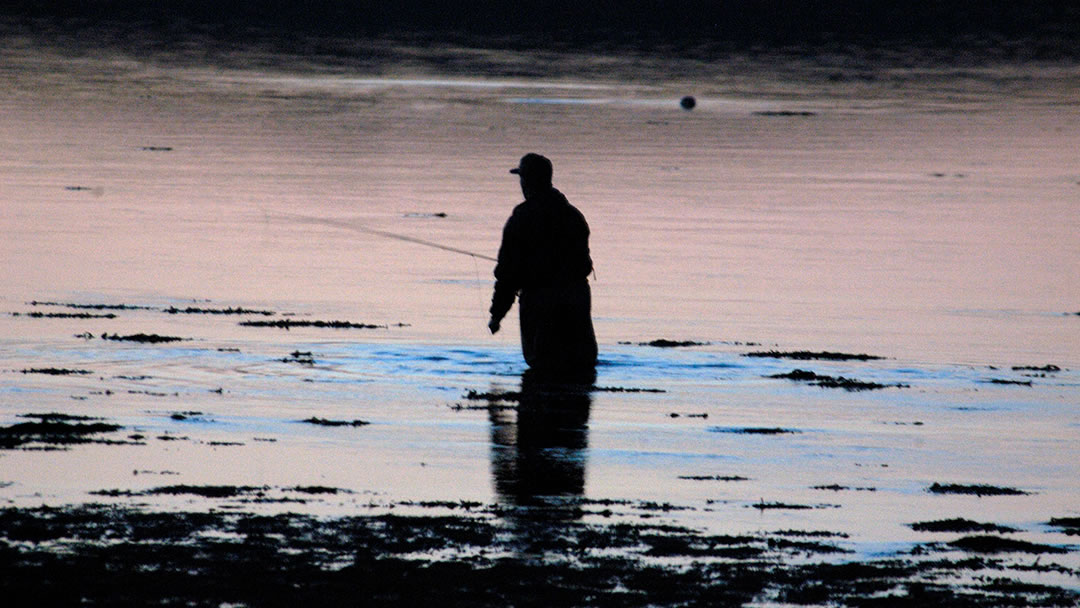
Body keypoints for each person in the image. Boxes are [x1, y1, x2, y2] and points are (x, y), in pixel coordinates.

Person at [488, 153, 598, 372]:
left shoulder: (522, 218)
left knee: (543, 366)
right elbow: (583, 263)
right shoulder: (573, 215)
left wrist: (497, 315)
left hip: (540, 303)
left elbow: (508, 273)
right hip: (576, 298)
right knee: (580, 366)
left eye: (522, 179)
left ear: (527, 181)